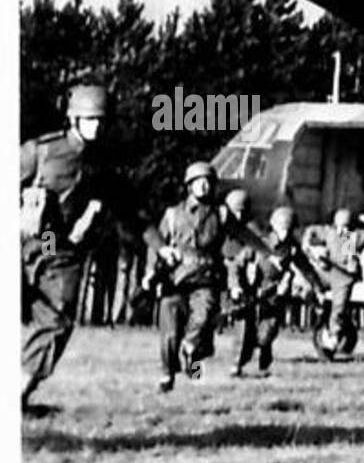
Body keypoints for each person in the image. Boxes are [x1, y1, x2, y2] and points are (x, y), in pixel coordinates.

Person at [19, 84, 164, 410]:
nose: (96, 127)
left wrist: (161, 245)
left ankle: (18, 396)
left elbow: (134, 212)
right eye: (89, 120)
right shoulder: (40, 152)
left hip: (61, 251)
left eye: (101, 120)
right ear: (73, 119)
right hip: (24, 241)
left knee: (56, 323)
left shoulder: (105, 166)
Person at [154, 161, 264, 392]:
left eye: (208, 182)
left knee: (202, 325)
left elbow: (243, 237)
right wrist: (150, 274)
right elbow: (158, 246)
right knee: (170, 333)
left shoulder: (221, 214)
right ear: (189, 186)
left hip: (206, 278)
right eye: (198, 182)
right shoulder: (173, 215)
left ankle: (193, 370)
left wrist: (265, 253)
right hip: (175, 279)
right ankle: (167, 376)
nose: (204, 187)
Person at [228, 205, 325, 377]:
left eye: (289, 230)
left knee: (268, 331)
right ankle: (237, 365)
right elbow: (237, 264)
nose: (286, 234)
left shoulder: (292, 248)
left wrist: (318, 288)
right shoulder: (259, 243)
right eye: (282, 229)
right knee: (244, 332)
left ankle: (264, 359)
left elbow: (306, 268)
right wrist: (236, 286)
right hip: (252, 291)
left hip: (274, 294)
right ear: (274, 227)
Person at [301, 207, 364, 353]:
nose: (342, 229)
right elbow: (311, 230)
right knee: (307, 284)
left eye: (345, 227)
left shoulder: (348, 236)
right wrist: (307, 245)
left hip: (343, 277)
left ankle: (333, 336)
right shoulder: (334, 233)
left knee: (338, 309)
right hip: (330, 272)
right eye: (340, 226)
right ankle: (319, 309)